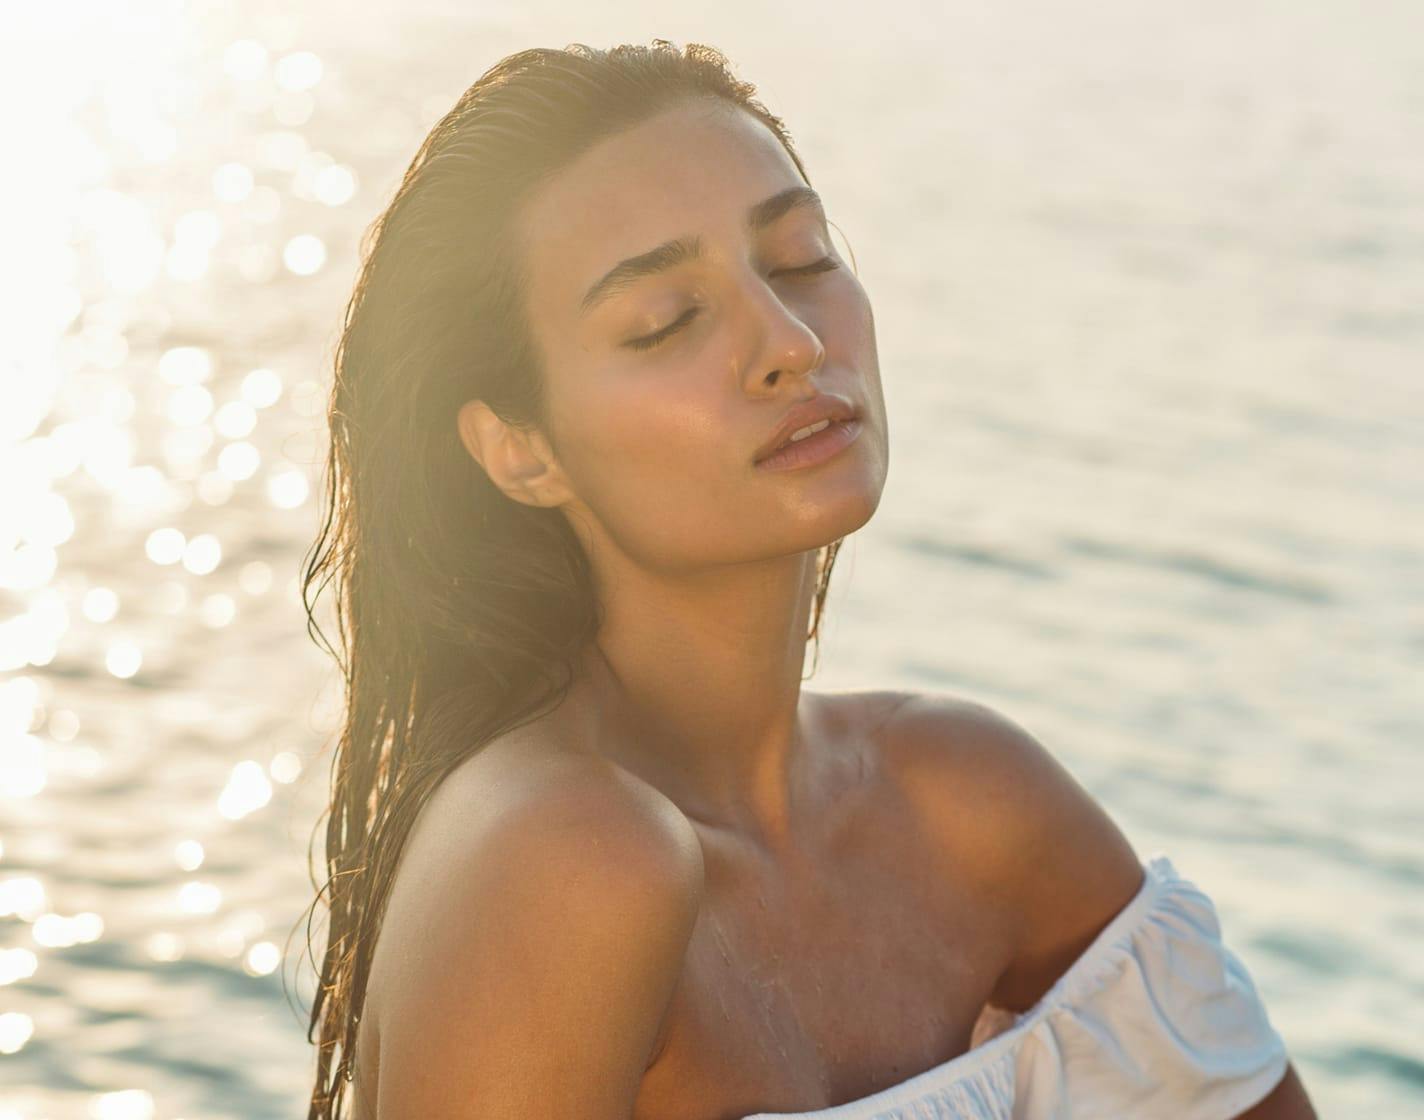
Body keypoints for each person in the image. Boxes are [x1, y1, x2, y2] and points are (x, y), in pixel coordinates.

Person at [298, 39, 1316, 1120]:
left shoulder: (970, 798)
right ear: (521, 449)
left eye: (797, 258)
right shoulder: (563, 860)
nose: (788, 342)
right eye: (665, 321)